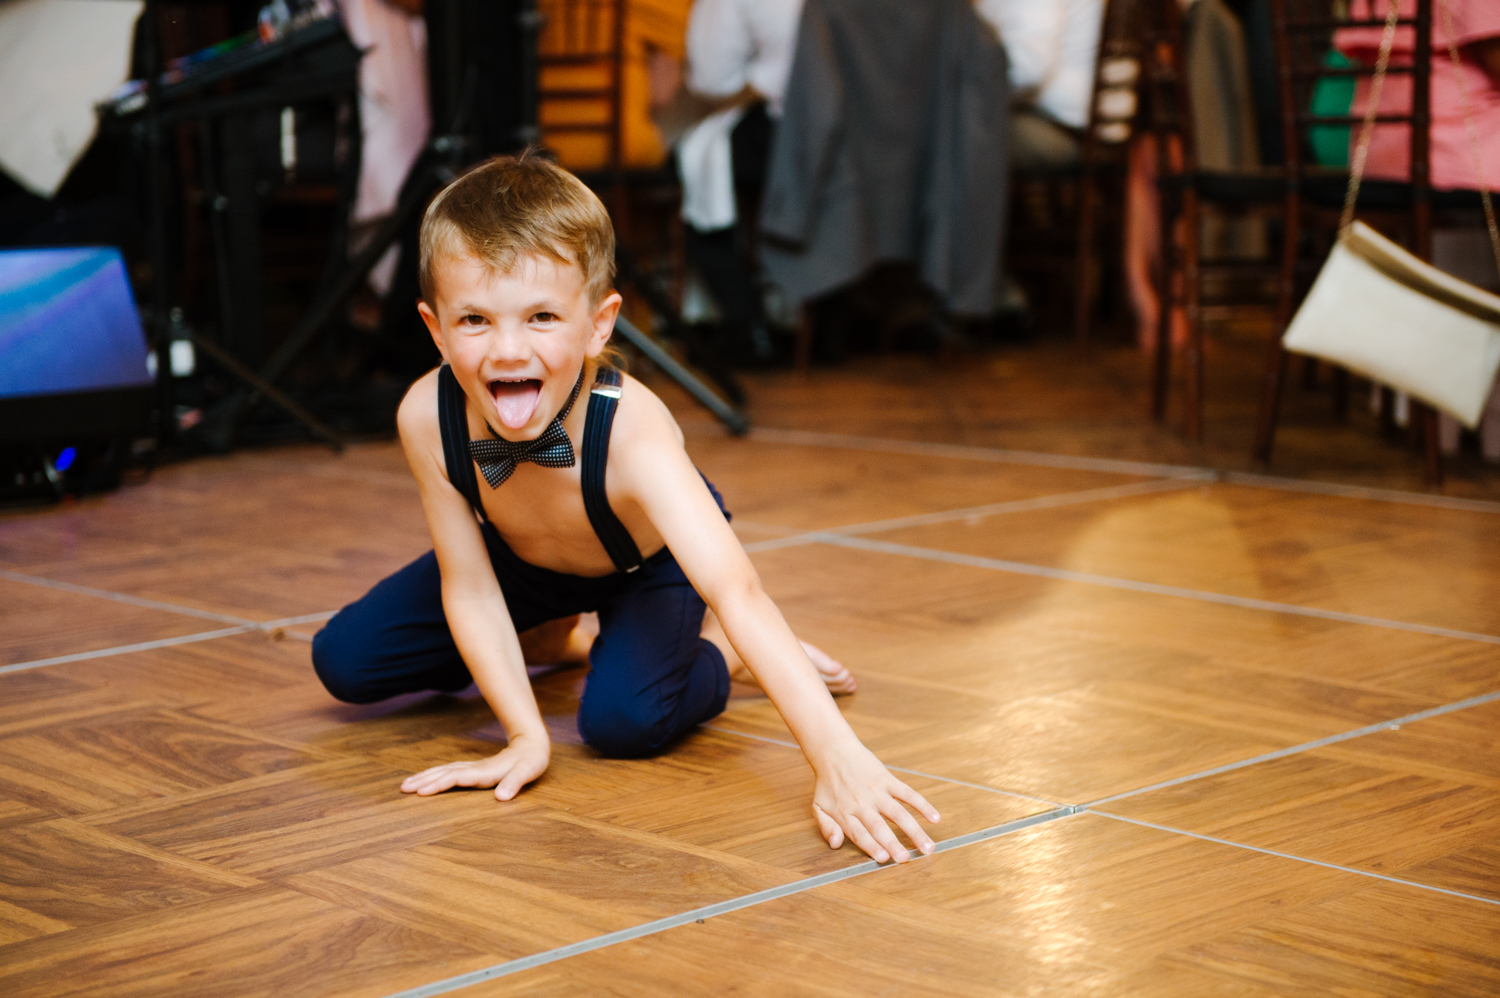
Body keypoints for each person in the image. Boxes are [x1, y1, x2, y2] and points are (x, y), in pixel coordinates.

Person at [311, 154, 940, 864]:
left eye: (543, 317)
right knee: (346, 661)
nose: (508, 349)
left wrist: (836, 756)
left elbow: (735, 590)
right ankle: (560, 639)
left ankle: (723, 661)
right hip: (524, 559)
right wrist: (524, 735)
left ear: (599, 324)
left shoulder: (634, 430)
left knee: (624, 723)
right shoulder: (427, 415)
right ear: (435, 329)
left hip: (645, 565)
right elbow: (470, 583)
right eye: (476, 320)